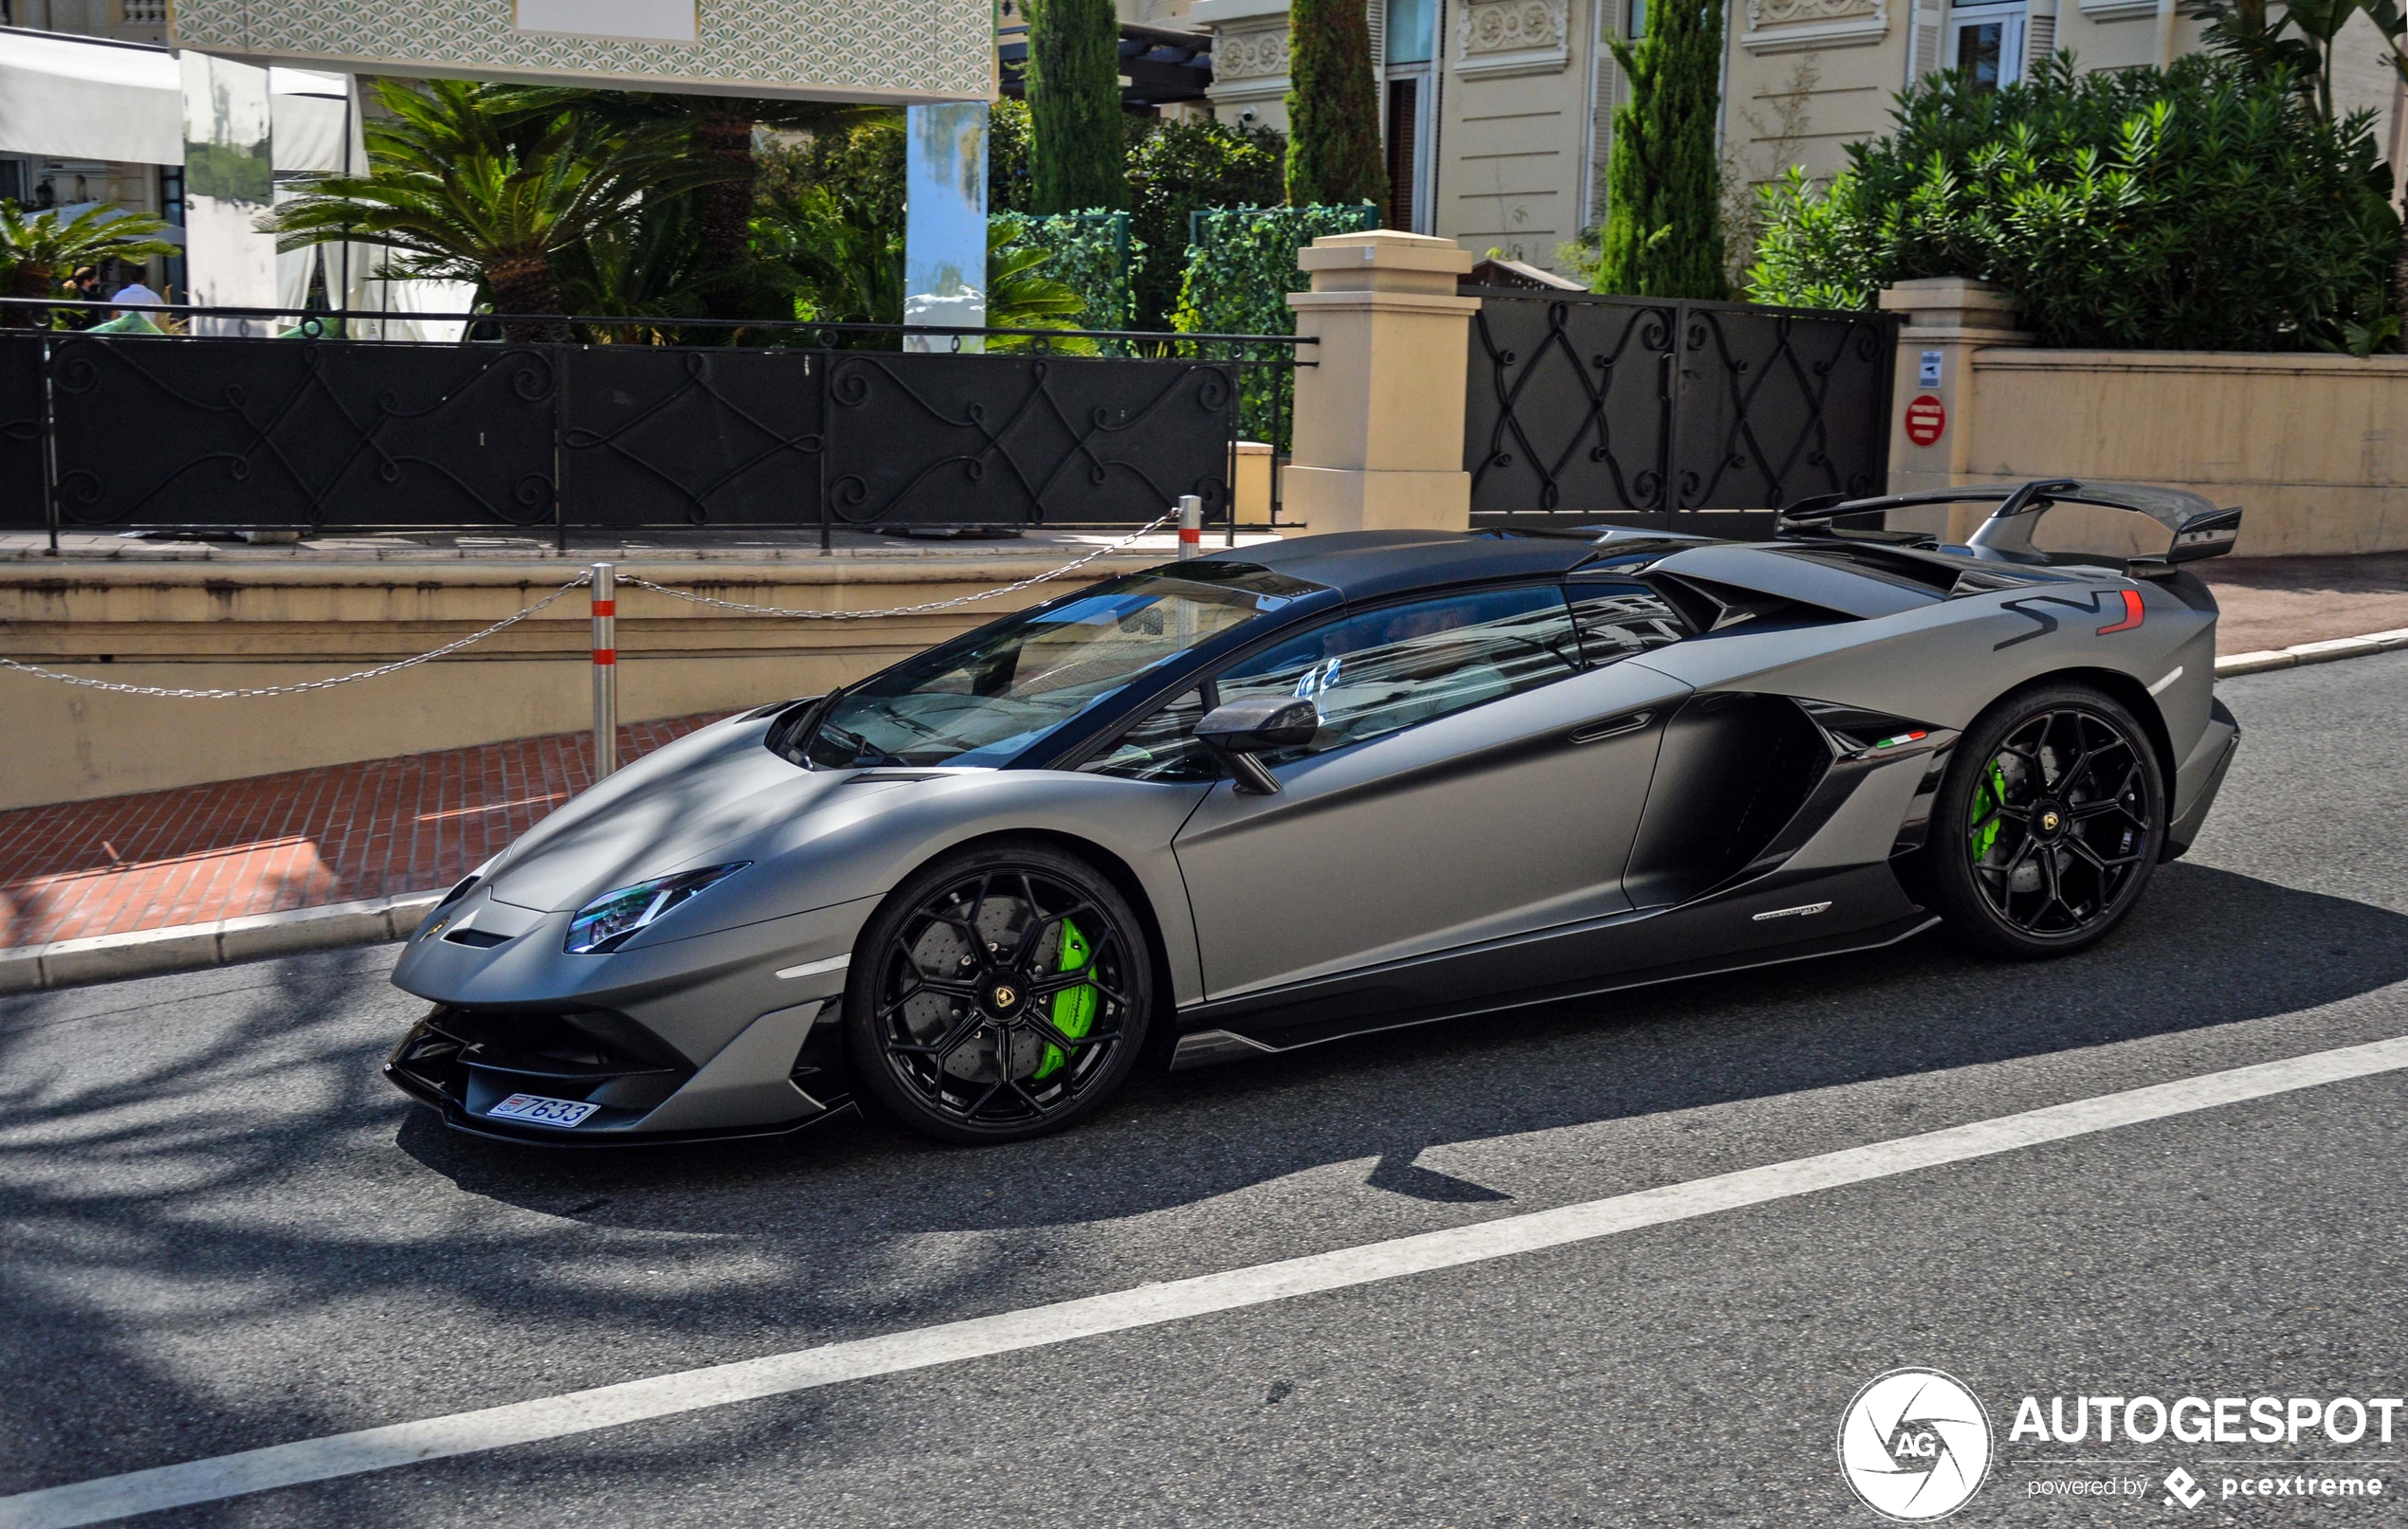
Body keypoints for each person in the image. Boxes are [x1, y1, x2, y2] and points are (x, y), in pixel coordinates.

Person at [62, 267, 104, 331]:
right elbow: (94, 319)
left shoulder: (70, 294)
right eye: (94, 278)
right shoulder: (89, 297)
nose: (97, 279)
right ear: (86, 282)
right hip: (85, 331)